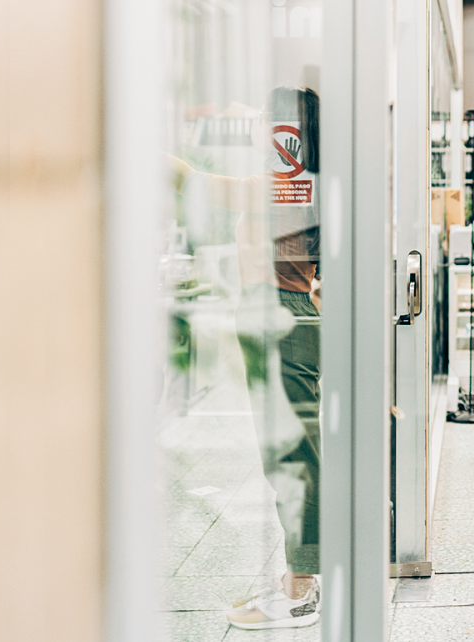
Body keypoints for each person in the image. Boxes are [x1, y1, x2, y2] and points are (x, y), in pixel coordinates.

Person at [171, 86, 323, 630]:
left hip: (278, 314)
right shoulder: (296, 180)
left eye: (265, 117)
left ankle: (302, 586)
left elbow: (208, 186)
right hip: (276, 312)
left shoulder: (284, 181)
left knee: (291, 453)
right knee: (289, 449)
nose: (258, 124)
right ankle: (302, 575)